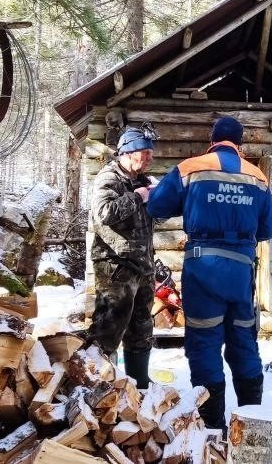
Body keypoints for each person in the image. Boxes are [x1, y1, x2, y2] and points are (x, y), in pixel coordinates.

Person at [147, 117, 272, 432]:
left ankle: (212, 429)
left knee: (205, 342)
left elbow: (157, 207)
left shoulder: (191, 168)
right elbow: (269, 229)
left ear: (213, 139)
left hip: (203, 269)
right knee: (243, 341)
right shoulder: (257, 175)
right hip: (241, 271)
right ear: (239, 143)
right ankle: (252, 421)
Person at [87, 126, 157, 388]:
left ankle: (139, 384)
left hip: (143, 265)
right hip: (115, 265)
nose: (150, 158)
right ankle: (100, 385)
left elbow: (153, 218)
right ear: (128, 153)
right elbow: (103, 213)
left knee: (141, 327)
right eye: (145, 153)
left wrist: (157, 197)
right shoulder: (109, 178)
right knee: (109, 328)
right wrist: (137, 197)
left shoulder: (143, 180)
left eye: (151, 153)